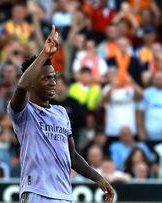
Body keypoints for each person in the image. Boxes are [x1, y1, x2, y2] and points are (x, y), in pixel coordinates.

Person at [7, 26, 114, 203]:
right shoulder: (23, 112)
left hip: (64, 195)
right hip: (36, 192)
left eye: (54, 77)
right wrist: (45, 54)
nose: (53, 82)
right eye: (46, 78)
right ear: (33, 83)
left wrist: (98, 178)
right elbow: (21, 86)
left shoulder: (61, 113)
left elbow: (71, 155)